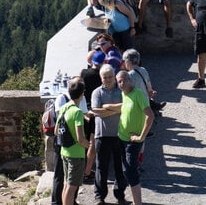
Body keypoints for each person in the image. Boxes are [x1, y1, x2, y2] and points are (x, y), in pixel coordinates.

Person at [90, 65, 128, 205]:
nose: (107, 80)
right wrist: (116, 110)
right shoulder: (97, 93)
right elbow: (96, 111)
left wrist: (107, 107)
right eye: (105, 77)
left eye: (110, 77)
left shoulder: (121, 91)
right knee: (101, 167)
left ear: (114, 76)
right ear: (101, 78)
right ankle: (99, 196)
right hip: (102, 135)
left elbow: (126, 107)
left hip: (120, 134)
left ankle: (120, 195)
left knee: (120, 166)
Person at [116, 69, 154, 205]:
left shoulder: (138, 94)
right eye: (119, 81)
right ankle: (133, 200)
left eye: (124, 80)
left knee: (131, 172)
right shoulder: (123, 94)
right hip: (122, 138)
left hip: (133, 141)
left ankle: (137, 202)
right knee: (126, 169)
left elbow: (150, 115)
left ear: (129, 80)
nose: (121, 83)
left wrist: (141, 136)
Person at [57, 77, 90, 205]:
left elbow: (56, 131)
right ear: (82, 94)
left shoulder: (64, 108)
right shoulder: (77, 113)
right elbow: (80, 138)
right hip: (76, 154)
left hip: (64, 151)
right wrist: (89, 145)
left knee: (66, 185)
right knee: (72, 188)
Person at [121, 48, 164, 116]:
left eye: (124, 61)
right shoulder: (143, 70)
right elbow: (150, 89)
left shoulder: (128, 76)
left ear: (128, 61)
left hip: (135, 107)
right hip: (146, 104)